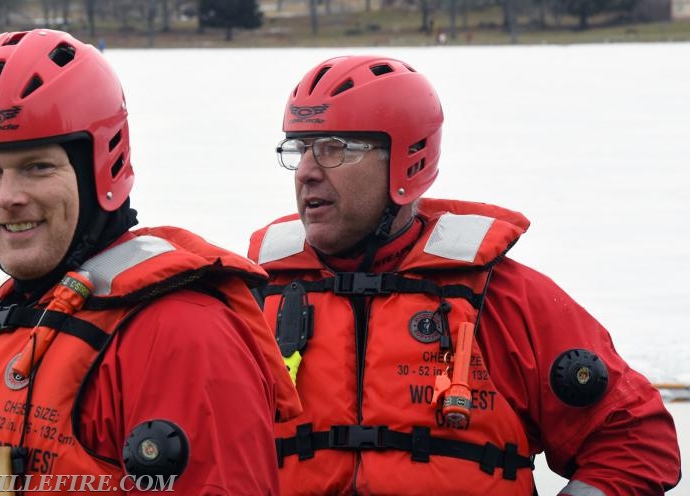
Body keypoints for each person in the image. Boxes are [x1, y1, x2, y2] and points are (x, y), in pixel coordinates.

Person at [247, 55, 681, 495]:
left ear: (405, 162)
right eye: (299, 149)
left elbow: (635, 441)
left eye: (334, 148)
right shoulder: (252, 306)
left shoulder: (505, 299)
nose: (305, 172)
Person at [0, 29, 300, 495]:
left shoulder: (181, 334)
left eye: (38, 167)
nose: (8, 198)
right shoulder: (6, 325)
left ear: (102, 169)